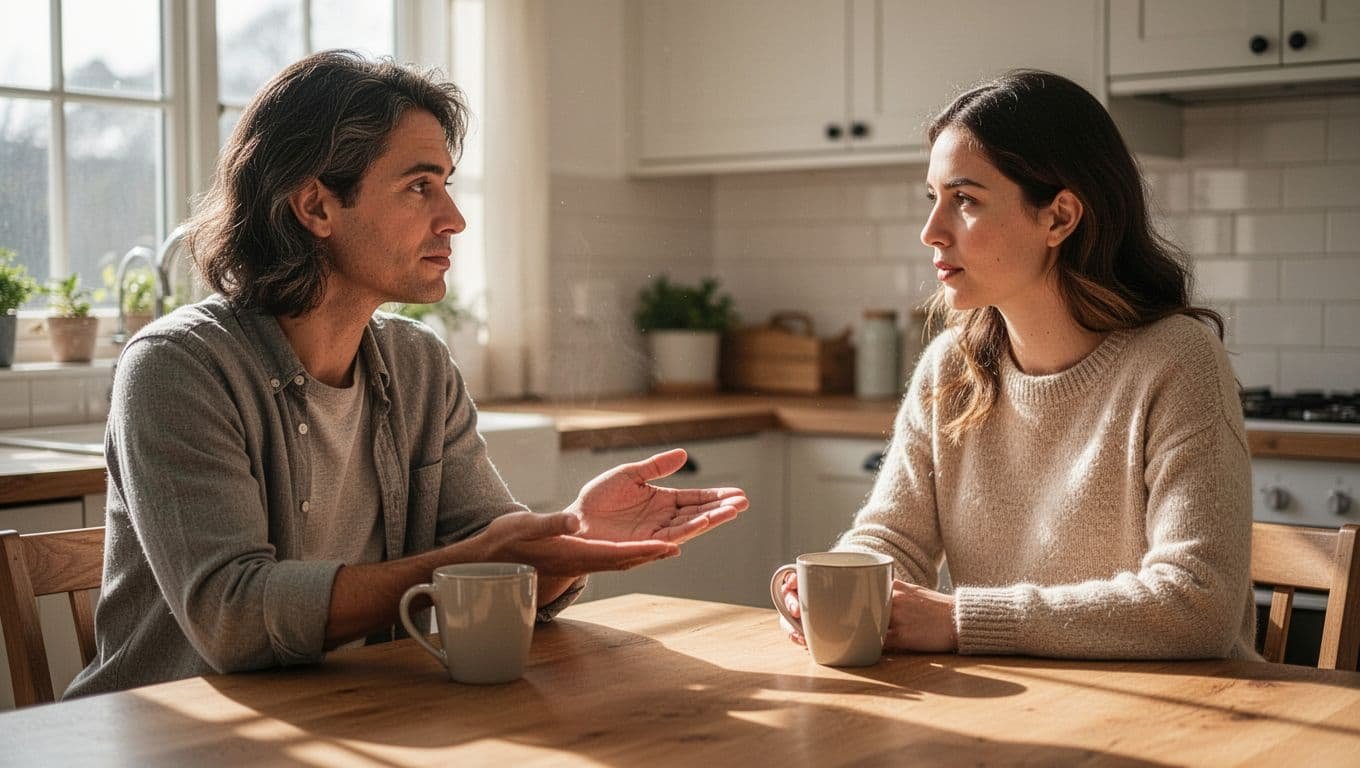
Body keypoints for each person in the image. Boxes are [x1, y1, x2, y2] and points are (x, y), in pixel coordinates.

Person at [66, 50, 748, 698]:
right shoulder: (176, 368)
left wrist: (570, 539)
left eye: (446, 185)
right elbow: (235, 620)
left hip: (351, 721)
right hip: (162, 739)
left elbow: (499, 570)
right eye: (420, 186)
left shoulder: (418, 366)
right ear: (317, 207)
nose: (452, 219)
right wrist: (467, 562)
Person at [778, 69, 1257, 660]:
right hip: (1028, 708)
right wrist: (834, 583)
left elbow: (1198, 604)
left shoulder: (1177, 361)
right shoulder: (950, 368)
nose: (932, 232)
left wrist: (961, 621)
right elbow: (892, 538)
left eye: (966, 200)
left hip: (1189, 723)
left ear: (1058, 217)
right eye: (935, 200)